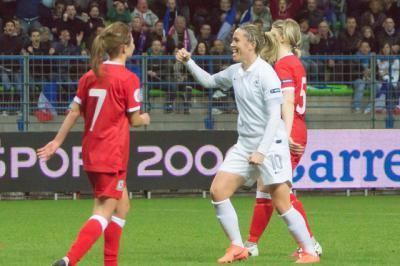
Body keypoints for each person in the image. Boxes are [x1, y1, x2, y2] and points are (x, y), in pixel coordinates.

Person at [176, 24, 320, 264]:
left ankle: (310, 251)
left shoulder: (266, 73)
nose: (231, 44)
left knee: (282, 203)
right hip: (245, 145)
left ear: (251, 44)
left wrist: (262, 152)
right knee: (218, 191)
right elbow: (210, 81)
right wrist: (188, 61)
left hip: (271, 145)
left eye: (236, 40)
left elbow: (275, 116)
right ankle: (238, 246)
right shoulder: (236, 71)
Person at [37, 22, 150, 266]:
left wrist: (57, 141)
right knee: (103, 211)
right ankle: (69, 260)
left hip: (92, 152)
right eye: (131, 41)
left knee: (122, 207)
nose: (133, 45)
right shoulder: (128, 79)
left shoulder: (90, 75)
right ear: (123, 47)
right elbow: (134, 119)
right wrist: (146, 118)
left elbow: (74, 112)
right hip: (112, 153)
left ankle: (110, 263)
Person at [244, 19, 322, 260]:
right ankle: (252, 243)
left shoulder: (284, 66)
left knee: (280, 191)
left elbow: (287, 102)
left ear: (283, 38)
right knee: (267, 187)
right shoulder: (292, 63)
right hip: (294, 128)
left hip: (289, 131)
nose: (268, 35)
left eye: (273, 32)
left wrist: (284, 135)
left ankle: (309, 244)